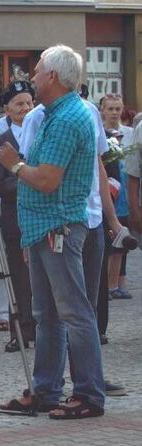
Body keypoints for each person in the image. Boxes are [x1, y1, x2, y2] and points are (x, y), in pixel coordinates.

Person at [0, 44, 105, 419]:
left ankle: (88, 394)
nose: (32, 77)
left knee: (74, 312)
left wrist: (14, 165)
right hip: (44, 227)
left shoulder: (66, 119)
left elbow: (46, 179)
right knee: (47, 314)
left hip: (58, 226)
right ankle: (46, 390)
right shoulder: (55, 113)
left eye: (38, 70)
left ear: (53, 77)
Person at [0, 81, 36, 352]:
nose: (25, 108)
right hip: (15, 216)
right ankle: (22, 330)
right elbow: (0, 184)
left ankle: (47, 330)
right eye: (19, 104)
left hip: (44, 215)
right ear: (7, 108)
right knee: (18, 276)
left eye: (29, 103)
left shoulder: (42, 133)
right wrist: (34, 181)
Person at [99, 94, 132, 300]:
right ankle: (107, 284)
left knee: (123, 240)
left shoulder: (129, 133)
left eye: (117, 108)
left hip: (125, 192)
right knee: (109, 243)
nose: (114, 112)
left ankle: (119, 282)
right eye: (110, 108)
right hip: (109, 191)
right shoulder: (100, 133)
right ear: (102, 110)